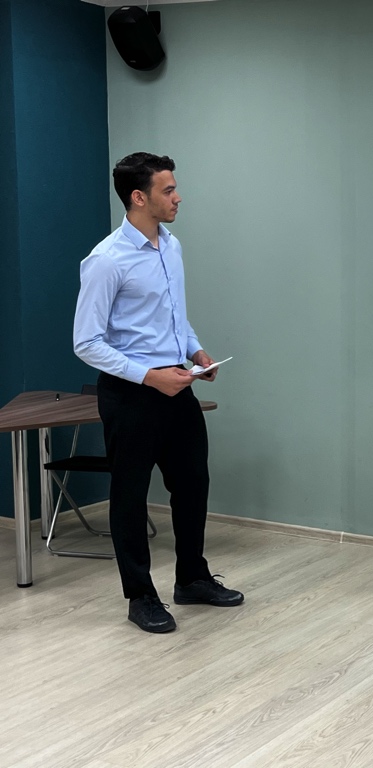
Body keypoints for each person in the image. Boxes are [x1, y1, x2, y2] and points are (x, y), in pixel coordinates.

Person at [73, 152, 243, 634]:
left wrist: (195, 350)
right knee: (129, 495)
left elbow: (172, 316)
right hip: (132, 393)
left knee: (193, 484)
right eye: (168, 190)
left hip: (177, 385)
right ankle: (141, 596)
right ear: (138, 197)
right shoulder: (106, 260)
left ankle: (192, 578)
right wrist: (150, 376)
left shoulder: (171, 246)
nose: (178, 197)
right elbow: (86, 342)